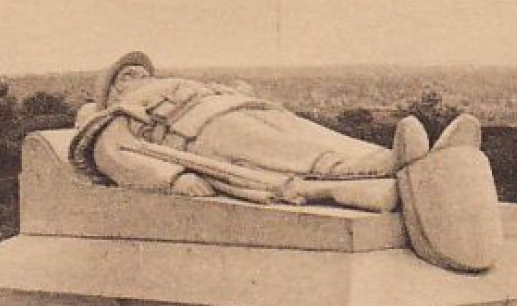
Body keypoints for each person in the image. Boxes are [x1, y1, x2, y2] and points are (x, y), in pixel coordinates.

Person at [69, 52, 402, 212]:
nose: (139, 76)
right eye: (126, 75)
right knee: (273, 147)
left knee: (301, 130)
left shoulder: (185, 85)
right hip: (201, 130)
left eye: (142, 72)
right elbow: (113, 156)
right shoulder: (114, 116)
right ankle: (353, 171)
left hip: (234, 107)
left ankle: (382, 160)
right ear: (113, 91)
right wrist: (172, 178)